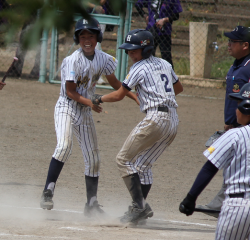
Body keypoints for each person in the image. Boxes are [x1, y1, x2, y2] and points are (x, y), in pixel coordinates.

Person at [40, 17, 139, 217]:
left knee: (93, 158)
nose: (87, 40)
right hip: (67, 107)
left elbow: (115, 84)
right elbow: (70, 92)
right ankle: (48, 191)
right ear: (78, 39)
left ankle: (91, 204)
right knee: (64, 146)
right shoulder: (72, 61)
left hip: (85, 110)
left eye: (91, 36)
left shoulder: (104, 59)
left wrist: (134, 96)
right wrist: (91, 102)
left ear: (98, 38)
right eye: (82, 36)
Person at [91, 29, 183, 224]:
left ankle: (139, 206)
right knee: (142, 165)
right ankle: (138, 209)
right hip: (173, 120)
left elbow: (118, 94)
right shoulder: (164, 63)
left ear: (146, 49)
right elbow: (178, 88)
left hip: (156, 118)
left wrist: (98, 98)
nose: (130, 54)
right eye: (128, 51)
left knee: (123, 159)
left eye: (134, 50)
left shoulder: (139, 68)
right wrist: (158, 93)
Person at [179, 82, 250, 240]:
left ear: (247, 107)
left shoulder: (235, 135)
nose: (235, 109)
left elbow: (209, 168)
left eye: (238, 104)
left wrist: (190, 198)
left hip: (237, 207)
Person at [196, 25, 250, 218]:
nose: (228, 44)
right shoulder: (237, 64)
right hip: (235, 124)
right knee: (234, 165)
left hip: (245, 126)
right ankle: (222, 202)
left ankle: (221, 203)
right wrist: (229, 122)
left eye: (233, 41)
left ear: (245, 45)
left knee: (234, 164)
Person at [135, 0, 182, 68]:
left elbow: (176, 16)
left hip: (164, 32)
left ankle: (170, 75)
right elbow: (137, 4)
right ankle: (148, 74)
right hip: (151, 30)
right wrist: (145, 16)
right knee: (148, 55)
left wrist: (164, 20)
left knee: (166, 57)